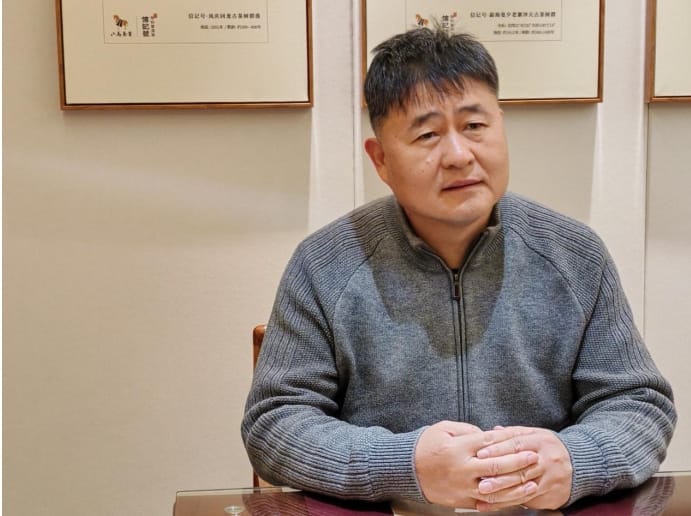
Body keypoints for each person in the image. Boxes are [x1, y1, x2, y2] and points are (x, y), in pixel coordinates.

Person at [241, 27, 676, 512]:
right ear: (381, 159)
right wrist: (405, 465)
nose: (458, 155)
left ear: (500, 125)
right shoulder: (324, 264)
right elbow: (275, 424)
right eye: (427, 135)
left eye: (474, 125)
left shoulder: (575, 255)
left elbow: (638, 404)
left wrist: (577, 459)